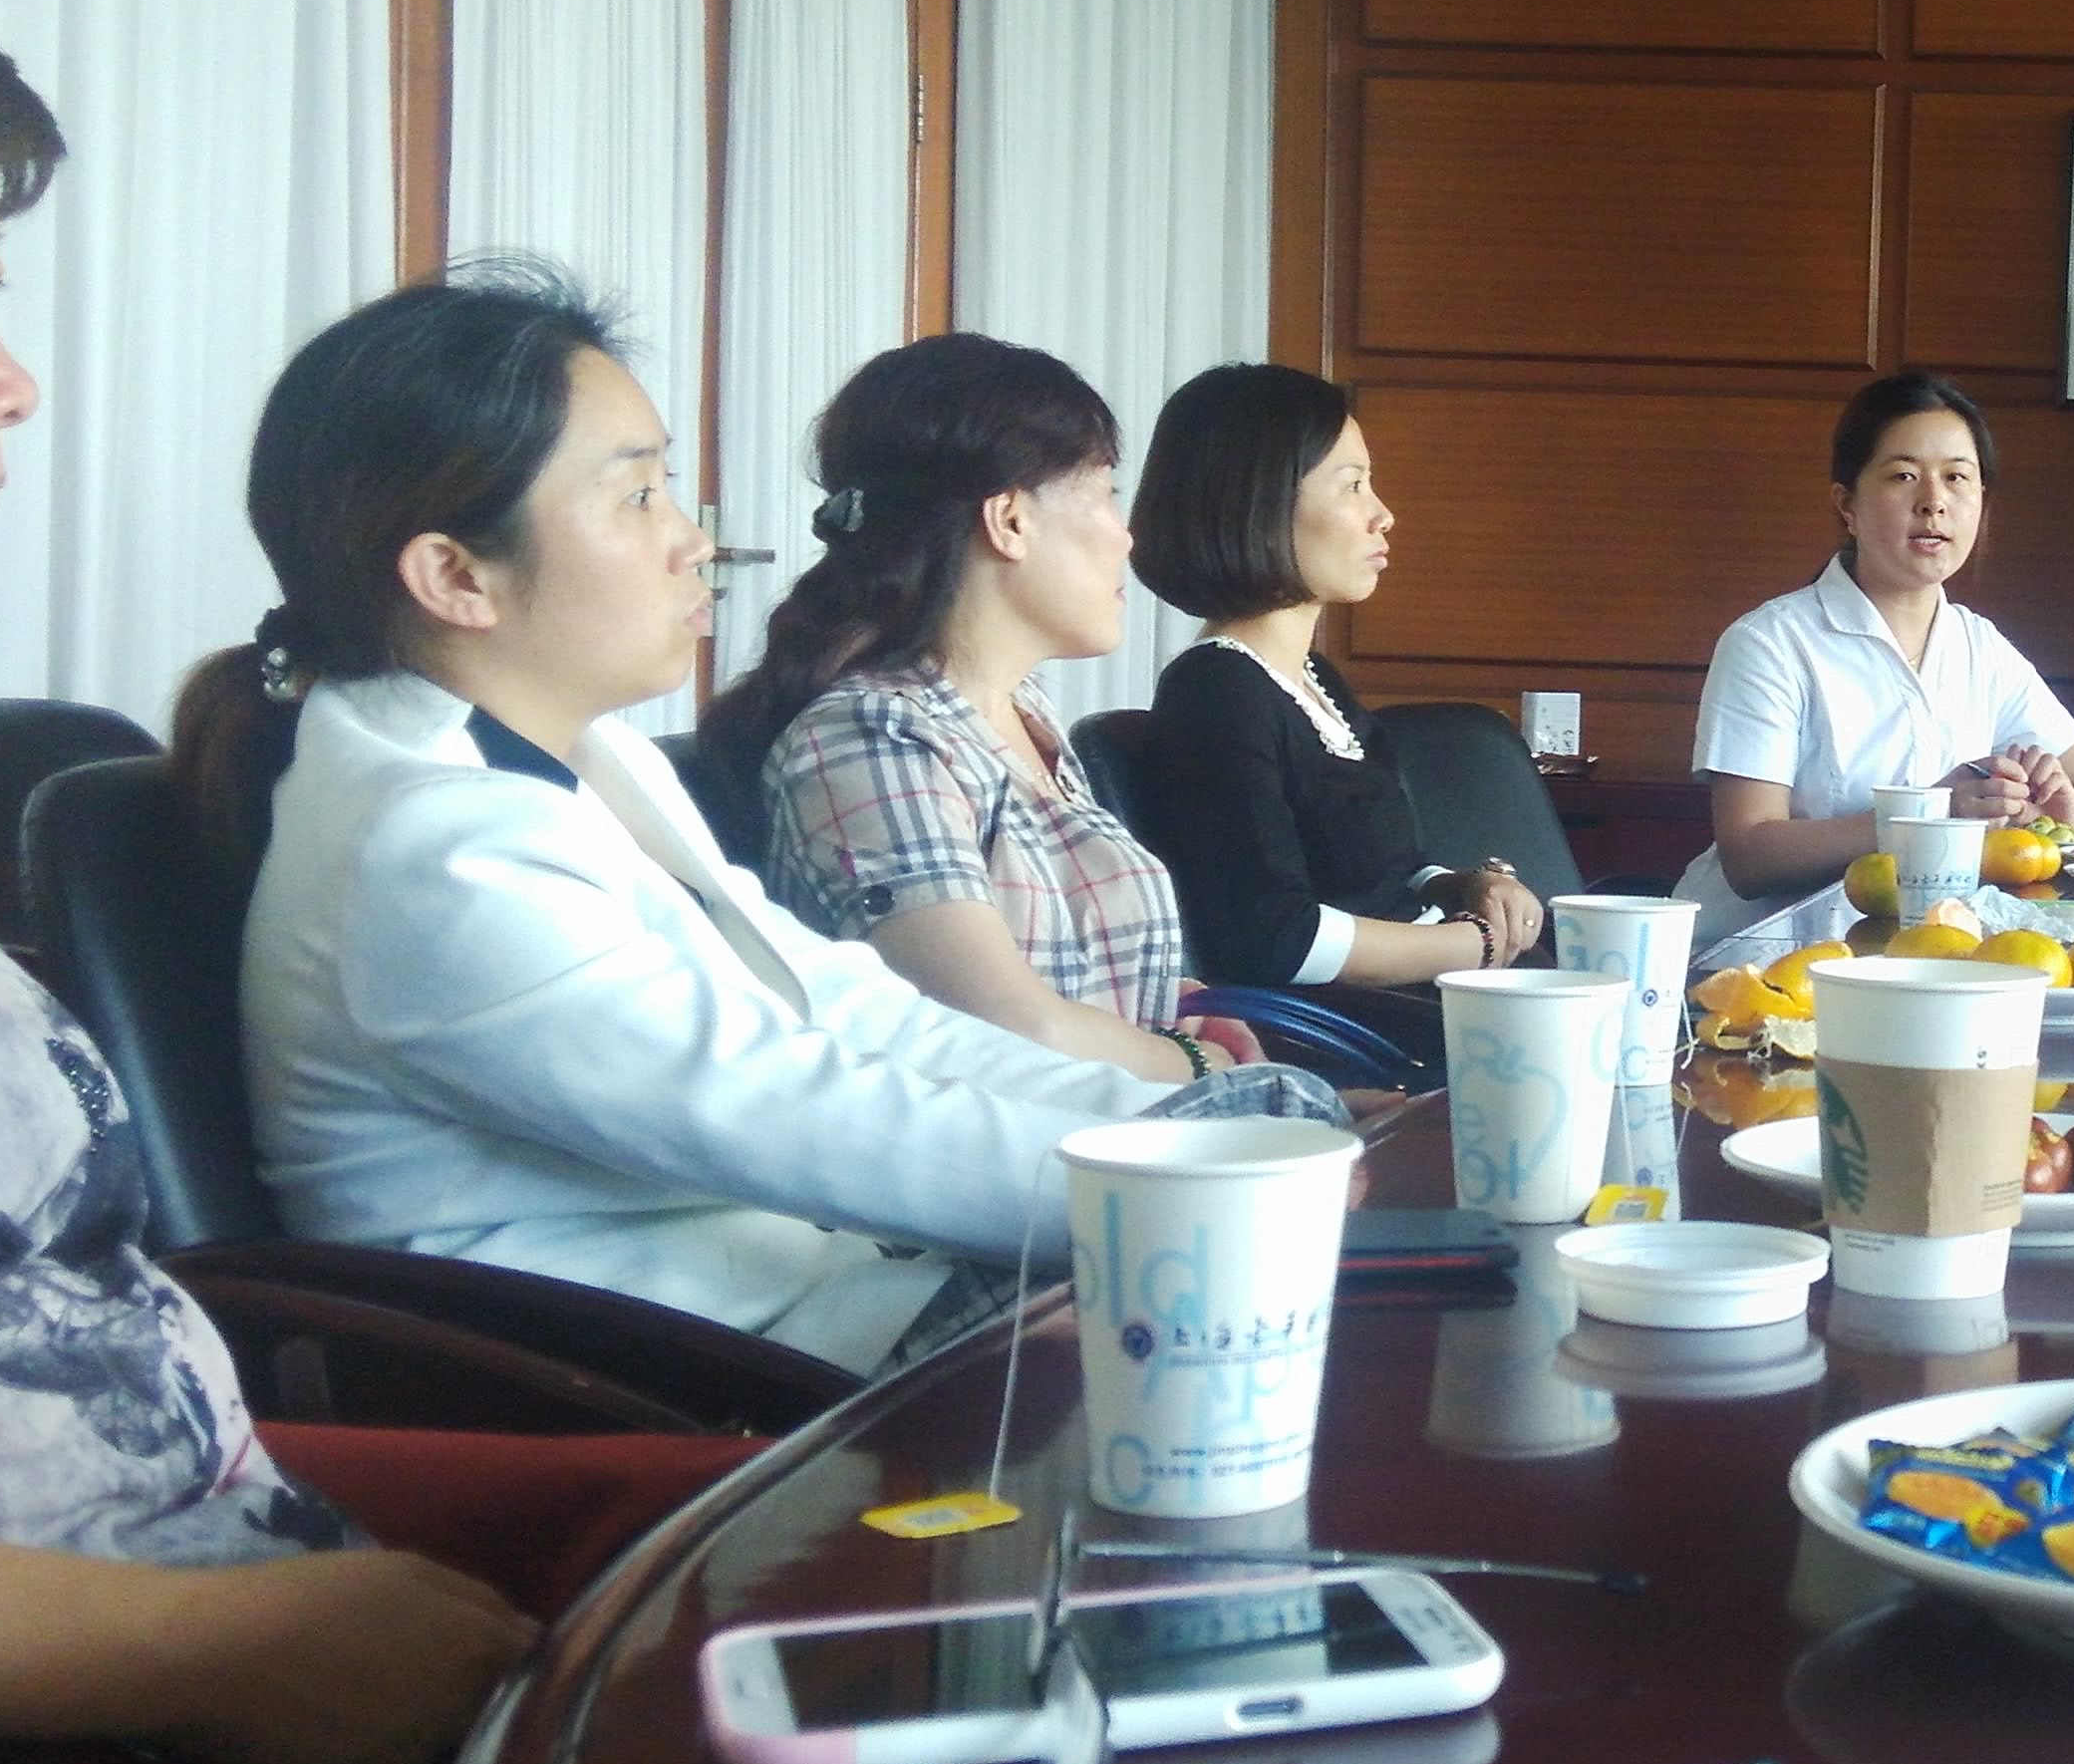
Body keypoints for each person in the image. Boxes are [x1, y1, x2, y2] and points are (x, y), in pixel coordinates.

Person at [0, 0, 699, 1764]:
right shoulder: (427, 834)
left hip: (234, 1568)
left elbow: (80, 1369)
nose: (14, 380)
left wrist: (632, 1504)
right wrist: (227, 1647)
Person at [198, 268, 1339, 1376]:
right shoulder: (432, 854)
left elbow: (841, 1004)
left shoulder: (584, 762)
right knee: (1306, 1308)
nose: (691, 538)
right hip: (695, 1393)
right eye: (637, 495)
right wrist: (1203, 1175)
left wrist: (1183, 1119)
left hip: (823, 1310)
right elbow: (807, 1108)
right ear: (456, 576)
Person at [703, 336, 1253, 1086]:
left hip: (1116, 1129)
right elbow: (1000, 1031)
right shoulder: (875, 739)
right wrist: (1201, 1066)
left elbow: (1063, 974)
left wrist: (1173, 1004)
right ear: (1010, 521)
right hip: (1030, 1148)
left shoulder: (1021, 712)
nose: (1126, 536)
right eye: (1105, 493)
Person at [1122, 363, 1544, 991]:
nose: (1384, 515)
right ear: (1260, 503)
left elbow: (1379, 873)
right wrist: (1474, 945)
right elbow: (1276, 940)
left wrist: (1462, 888)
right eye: (1353, 486)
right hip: (1355, 1023)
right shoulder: (1217, 693)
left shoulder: (1316, 680)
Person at [1678, 371, 2074, 933]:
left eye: (1957, 477)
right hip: (1768, 955)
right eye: (1904, 476)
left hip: (1930, 951)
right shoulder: (1771, 643)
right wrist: (1930, 814)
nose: (1933, 502)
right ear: (1847, 505)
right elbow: (1750, 856)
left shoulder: (1979, 647)